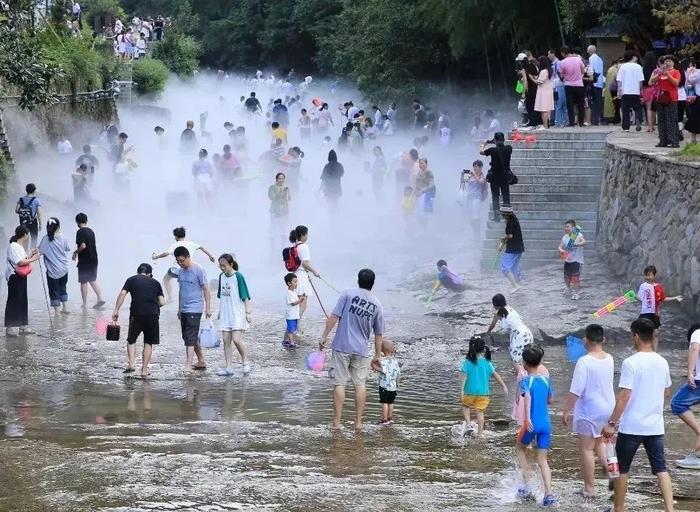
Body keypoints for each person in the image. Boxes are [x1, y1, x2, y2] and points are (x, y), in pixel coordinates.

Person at [602, 318, 675, 512]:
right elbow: (666, 393)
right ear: (652, 336)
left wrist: (611, 423)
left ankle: (619, 509)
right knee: (661, 468)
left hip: (632, 426)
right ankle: (670, 509)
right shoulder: (663, 361)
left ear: (635, 336)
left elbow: (624, 396)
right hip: (655, 426)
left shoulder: (630, 363)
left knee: (622, 469)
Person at [320, 269, 385, 430]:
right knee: (360, 384)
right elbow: (379, 334)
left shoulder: (347, 294)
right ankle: (358, 423)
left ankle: (336, 423)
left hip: (342, 346)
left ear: (358, 280)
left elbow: (334, 317)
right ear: (373, 283)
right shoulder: (377, 304)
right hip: (361, 350)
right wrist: (378, 355)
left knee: (339, 383)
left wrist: (324, 337)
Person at [561, 324, 615, 497]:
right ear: (603, 340)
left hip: (589, 410)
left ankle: (589, 488)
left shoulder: (584, 362)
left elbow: (576, 390)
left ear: (585, 340)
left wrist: (566, 410)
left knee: (586, 449)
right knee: (602, 442)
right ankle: (614, 475)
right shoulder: (610, 358)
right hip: (608, 408)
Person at [516, 344, 556, 507]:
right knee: (543, 460)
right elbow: (550, 400)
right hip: (546, 424)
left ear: (525, 363)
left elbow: (527, 398)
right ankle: (549, 494)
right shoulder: (546, 381)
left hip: (531, 423)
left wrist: (528, 419)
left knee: (520, 449)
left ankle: (527, 486)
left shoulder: (525, 380)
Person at [112, 263, 165, 377]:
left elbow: (122, 293)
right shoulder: (156, 283)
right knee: (148, 342)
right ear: (150, 274)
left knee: (131, 340)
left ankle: (131, 364)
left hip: (136, 314)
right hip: (152, 315)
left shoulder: (131, 280)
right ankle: (144, 370)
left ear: (138, 272)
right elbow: (162, 302)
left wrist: (116, 310)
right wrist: (153, 306)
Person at [457, 335, 508, 437]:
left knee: (465, 406)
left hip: (469, 392)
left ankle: (468, 425)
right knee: (480, 413)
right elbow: (495, 375)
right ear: (483, 349)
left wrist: (462, 390)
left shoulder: (467, 362)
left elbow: (464, 377)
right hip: (483, 393)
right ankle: (480, 434)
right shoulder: (487, 363)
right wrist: (503, 385)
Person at [174, 246, 211, 372]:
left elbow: (206, 288)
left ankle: (188, 365)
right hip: (184, 309)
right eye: (178, 261)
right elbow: (181, 290)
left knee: (190, 337)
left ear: (188, 257)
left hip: (195, 308)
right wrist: (179, 308)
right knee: (188, 337)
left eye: (182, 260)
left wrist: (208, 308)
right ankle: (201, 360)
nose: (180, 263)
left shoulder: (199, 269)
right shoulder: (180, 271)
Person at [215, 253, 252, 376]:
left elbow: (245, 296)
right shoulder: (221, 277)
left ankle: (245, 361)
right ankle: (229, 367)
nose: (222, 268)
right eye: (220, 265)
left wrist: (248, 313)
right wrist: (220, 312)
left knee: (236, 339)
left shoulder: (238, 276)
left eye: (224, 265)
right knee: (226, 340)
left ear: (231, 264)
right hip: (226, 313)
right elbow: (222, 297)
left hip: (237, 313)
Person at [671, 323, 700, 469]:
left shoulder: (697, 332)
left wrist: (690, 372)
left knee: (677, 403)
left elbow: (695, 347)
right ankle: (697, 456)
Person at [5, 226, 40, 337]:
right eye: (27, 234)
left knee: (23, 299)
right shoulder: (13, 246)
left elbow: (23, 258)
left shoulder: (19, 246)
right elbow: (20, 262)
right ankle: (10, 327)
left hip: (20, 276)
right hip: (14, 276)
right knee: (13, 300)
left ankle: (23, 325)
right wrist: (34, 258)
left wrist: (31, 253)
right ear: (25, 235)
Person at [637, 265, 682, 351]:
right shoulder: (643, 286)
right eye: (646, 275)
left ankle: (655, 352)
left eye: (649, 275)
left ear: (654, 275)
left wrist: (675, 297)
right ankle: (641, 350)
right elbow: (639, 298)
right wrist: (629, 297)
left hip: (655, 313)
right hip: (645, 313)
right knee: (642, 332)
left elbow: (663, 298)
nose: (647, 277)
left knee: (656, 333)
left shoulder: (659, 287)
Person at [486, 293, 533, 372]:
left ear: (495, 304)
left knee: (516, 361)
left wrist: (488, 332)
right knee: (529, 359)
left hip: (519, 336)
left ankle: (520, 379)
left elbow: (492, 325)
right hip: (528, 334)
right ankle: (529, 375)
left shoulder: (499, 312)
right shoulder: (510, 308)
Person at [38, 218, 72, 315]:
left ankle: (57, 313)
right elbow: (67, 248)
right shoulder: (63, 237)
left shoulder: (45, 239)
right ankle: (65, 308)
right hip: (64, 269)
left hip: (52, 272)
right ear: (58, 227)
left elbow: (40, 251)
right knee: (63, 287)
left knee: (54, 291)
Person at [72, 213, 105, 309]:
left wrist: (75, 252)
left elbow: (83, 246)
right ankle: (100, 298)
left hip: (84, 260)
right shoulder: (91, 231)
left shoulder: (80, 232)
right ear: (86, 221)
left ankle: (85, 303)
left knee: (83, 281)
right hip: (94, 259)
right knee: (92, 279)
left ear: (77, 222)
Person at [649, 55, 681, 147]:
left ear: (673, 63)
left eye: (669, 61)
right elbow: (651, 82)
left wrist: (668, 74)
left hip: (672, 99)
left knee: (671, 120)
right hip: (661, 99)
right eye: (666, 61)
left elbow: (676, 83)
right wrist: (658, 75)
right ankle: (663, 140)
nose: (667, 62)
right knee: (661, 120)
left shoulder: (676, 72)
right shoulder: (660, 73)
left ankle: (674, 141)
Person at [479, 132, 512, 222]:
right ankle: (507, 217)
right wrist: (496, 142)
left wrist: (483, 144)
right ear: (504, 140)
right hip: (505, 177)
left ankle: (496, 217)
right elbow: (501, 145)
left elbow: (481, 152)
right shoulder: (509, 149)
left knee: (495, 197)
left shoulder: (492, 150)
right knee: (506, 196)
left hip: (495, 177)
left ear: (495, 140)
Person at [616, 51, 645, 132]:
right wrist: (640, 90)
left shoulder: (622, 67)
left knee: (625, 109)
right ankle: (638, 119)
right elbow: (640, 81)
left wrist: (619, 91)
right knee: (638, 108)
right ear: (633, 57)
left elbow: (619, 80)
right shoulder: (638, 67)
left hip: (625, 91)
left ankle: (626, 127)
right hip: (635, 91)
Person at [557, 220, 586, 300]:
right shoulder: (565, 237)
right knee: (566, 277)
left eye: (568, 227)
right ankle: (568, 288)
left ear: (573, 228)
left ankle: (576, 294)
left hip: (577, 260)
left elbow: (584, 242)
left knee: (575, 278)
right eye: (565, 227)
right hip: (568, 260)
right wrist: (561, 250)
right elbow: (560, 246)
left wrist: (576, 244)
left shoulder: (578, 235)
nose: (565, 228)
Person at [459, 161, 488, 238]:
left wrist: (474, 175)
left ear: (481, 167)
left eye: (476, 166)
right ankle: (475, 233)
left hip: (476, 198)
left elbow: (481, 182)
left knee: (475, 216)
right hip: (469, 198)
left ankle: (477, 234)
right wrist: (462, 175)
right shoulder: (470, 177)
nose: (475, 168)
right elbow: (464, 182)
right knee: (471, 216)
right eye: (474, 166)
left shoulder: (482, 176)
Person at [559, 46, 586, 127]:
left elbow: (561, 75)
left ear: (563, 53)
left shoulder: (562, 62)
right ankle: (581, 122)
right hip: (579, 84)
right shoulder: (578, 59)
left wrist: (566, 75)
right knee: (580, 104)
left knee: (570, 105)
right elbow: (583, 71)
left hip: (568, 85)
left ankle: (571, 122)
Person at [499, 206, 524, 291]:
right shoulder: (515, 220)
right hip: (519, 247)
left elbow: (510, 235)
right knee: (514, 267)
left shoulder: (510, 222)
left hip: (513, 248)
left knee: (504, 267)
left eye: (502, 214)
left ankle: (515, 285)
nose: (501, 216)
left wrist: (503, 238)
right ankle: (518, 283)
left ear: (505, 215)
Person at [377, 339, 400, 426]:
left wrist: (374, 367)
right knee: (391, 402)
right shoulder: (395, 362)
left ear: (382, 350)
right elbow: (398, 373)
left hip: (384, 386)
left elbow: (383, 370)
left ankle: (384, 419)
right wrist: (397, 383)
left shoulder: (383, 361)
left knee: (384, 403)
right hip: (393, 387)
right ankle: (390, 418)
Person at [15, 183, 43, 250]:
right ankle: (32, 257)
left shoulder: (21, 199)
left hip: (23, 223)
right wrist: (40, 224)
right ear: (34, 191)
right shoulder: (36, 200)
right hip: (33, 222)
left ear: (26, 190)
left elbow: (16, 210)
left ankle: (25, 255)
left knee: (24, 240)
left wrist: (24, 212)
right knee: (34, 240)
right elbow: (39, 213)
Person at [268, 172, 291, 250]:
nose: (281, 180)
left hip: (284, 210)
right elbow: (272, 197)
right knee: (273, 227)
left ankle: (282, 246)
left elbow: (289, 198)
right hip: (274, 210)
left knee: (283, 228)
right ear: (276, 179)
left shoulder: (286, 187)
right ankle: (272, 247)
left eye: (282, 179)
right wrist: (282, 192)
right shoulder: (272, 187)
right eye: (279, 178)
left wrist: (287, 193)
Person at [283, 273, 304, 348]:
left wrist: (300, 297)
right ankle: (291, 343)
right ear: (289, 283)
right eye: (295, 282)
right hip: (290, 315)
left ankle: (286, 341)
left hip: (294, 315)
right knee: (291, 330)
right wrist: (300, 300)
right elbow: (293, 303)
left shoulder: (293, 292)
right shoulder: (289, 293)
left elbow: (295, 300)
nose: (296, 283)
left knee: (292, 328)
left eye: (296, 282)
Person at [533, 56, 554, 129]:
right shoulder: (550, 70)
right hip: (548, 91)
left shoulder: (543, 71)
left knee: (543, 110)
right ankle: (548, 124)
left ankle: (545, 126)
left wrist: (531, 78)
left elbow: (539, 82)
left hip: (543, 92)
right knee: (548, 109)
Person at [548, 49, 568, 127]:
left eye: (549, 54)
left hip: (559, 85)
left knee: (560, 103)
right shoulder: (553, 64)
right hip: (556, 85)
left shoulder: (558, 63)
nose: (548, 56)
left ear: (553, 54)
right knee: (559, 103)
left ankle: (559, 122)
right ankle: (564, 121)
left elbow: (561, 74)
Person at [587, 45, 604, 125]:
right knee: (599, 101)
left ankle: (594, 119)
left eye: (587, 50)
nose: (587, 52)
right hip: (600, 83)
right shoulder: (600, 59)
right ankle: (600, 118)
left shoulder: (590, 59)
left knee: (593, 102)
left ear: (590, 51)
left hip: (593, 83)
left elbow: (591, 72)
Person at [604, 57, 622, 125]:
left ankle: (612, 119)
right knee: (616, 106)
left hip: (609, 90)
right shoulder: (615, 70)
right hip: (614, 90)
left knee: (612, 105)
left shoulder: (610, 69)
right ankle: (616, 120)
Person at [686, 62, 700, 143]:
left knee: (695, 118)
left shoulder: (698, 73)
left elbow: (689, 81)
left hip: (698, 97)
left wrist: (690, 72)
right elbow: (690, 85)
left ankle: (693, 138)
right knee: (695, 118)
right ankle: (693, 139)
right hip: (697, 97)